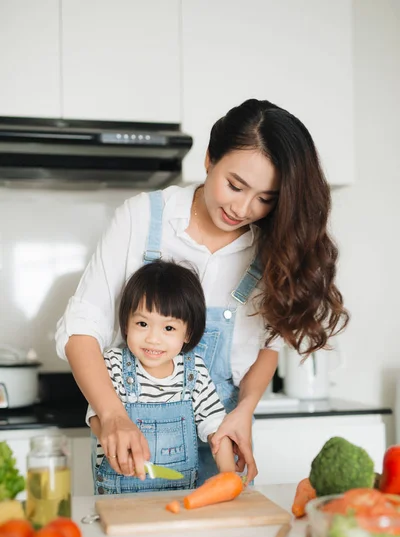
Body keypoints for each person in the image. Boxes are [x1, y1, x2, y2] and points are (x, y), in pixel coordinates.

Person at [56, 98, 349, 486]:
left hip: (221, 444)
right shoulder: (141, 218)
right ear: (210, 158)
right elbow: (81, 328)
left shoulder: (273, 249)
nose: (244, 208)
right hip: (133, 450)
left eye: (266, 198)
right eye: (235, 185)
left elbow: (267, 347)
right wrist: (112, 415)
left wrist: (244, 410)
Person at [87, 260, 235, 493]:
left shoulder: (194, 370)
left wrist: (229, 476)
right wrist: (116, 445)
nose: (153, 339)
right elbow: (97, 417)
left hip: (177, 497)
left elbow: (216, 427)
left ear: (188, 332)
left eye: (168, 328)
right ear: (126, 324)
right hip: (118, 499)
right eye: (143, 323)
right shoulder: (113, 362)